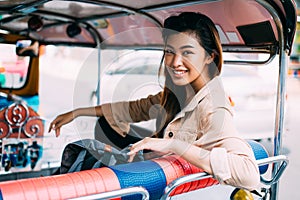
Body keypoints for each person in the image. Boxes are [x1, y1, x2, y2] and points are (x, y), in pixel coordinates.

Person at [49, 12, 260, 191]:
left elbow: (249, 174)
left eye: (187, 53)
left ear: (210, 57)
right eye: (169, 52)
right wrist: (77, 112)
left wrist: (173, 145)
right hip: (148, 166)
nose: (175, 62)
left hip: (158, 182)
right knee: (103, 126)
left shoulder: (214, 106)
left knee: (83, 154)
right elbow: (131, 109)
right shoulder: (179, 92)